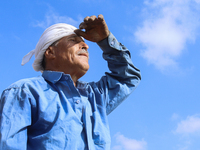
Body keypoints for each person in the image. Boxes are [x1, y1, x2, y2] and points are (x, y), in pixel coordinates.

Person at [0, 14, 141, 150]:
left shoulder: (94, 96)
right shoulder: (25, 91)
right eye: (74, 40)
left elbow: (128, 77)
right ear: (50, 52)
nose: (86, 46)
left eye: (85, 43)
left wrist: (105, 41)